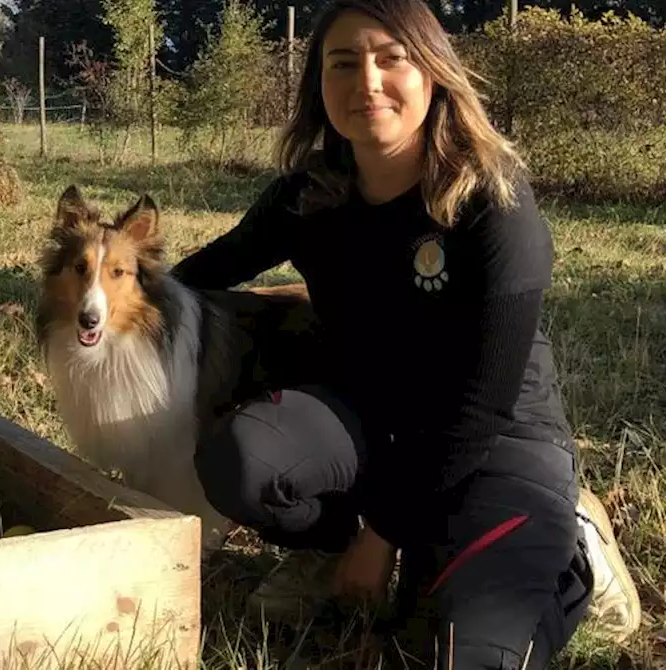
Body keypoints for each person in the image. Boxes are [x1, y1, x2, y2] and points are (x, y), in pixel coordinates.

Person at [169, 0, 642, 666]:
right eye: (343, 63)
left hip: (494, 445)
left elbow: (480, 408)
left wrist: (384, 534)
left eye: (392, 58)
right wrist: (105, 291)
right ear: (318, 87)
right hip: (366, 424)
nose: (367, 81)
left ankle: (576, 555)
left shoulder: (491, 200)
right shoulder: (307, 196)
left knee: (457, 651)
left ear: (433, 74)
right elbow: (194, 278)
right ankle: (329, 552)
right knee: (240, 460)